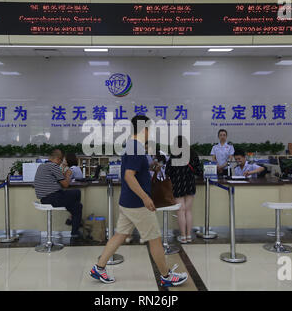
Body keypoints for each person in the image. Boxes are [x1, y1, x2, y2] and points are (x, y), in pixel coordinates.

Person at [90, 115, 188, 287]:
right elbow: (129, 176)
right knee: (155, 239)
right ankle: (166, 276)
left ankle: (99, 267)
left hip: (128, 201)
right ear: (145, 129)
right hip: (138, 203)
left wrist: (150, 166)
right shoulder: (135, 147)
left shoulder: (133, 145)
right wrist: (145, 197)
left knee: (120, 235)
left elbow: (134, 169)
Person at [34, 149, 83, 238]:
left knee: (77, 206)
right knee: (77, 193)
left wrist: (64, 172)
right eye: (61, 160)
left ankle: (73, 224)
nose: (61, 163)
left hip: (44, 198)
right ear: (58, 159)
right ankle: (73, 225)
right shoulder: (53, 166)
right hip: (53, 197)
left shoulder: (42, 166)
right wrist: (68, 175)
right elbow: (65, 184)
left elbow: (58, 178)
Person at [165, 135, 202, 244]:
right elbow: (199, 171)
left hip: (177, 185)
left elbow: (168, 172)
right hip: (190, 184)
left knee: (181, 211)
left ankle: (183, 236)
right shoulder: (193, 155)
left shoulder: (173, 156)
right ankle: (189, 236)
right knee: (188, 211)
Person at [63, 152, 83, 226]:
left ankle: (72, 217)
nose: (63, 161)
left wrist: (62, 167)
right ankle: (72, 217)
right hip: (77, 192)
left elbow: (63, 180)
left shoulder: (71, 169)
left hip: (73, 191)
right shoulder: (76, 168)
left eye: (64, 160)